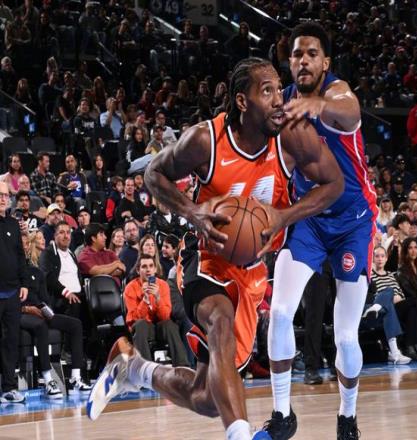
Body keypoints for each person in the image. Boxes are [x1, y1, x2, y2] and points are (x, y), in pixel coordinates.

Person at [87, 57, 343, 440]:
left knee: (207, 397)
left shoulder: (292, 137)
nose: (279, 99)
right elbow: (154, 173)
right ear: (242, 101)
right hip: (205, 257)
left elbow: (334, 183)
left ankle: (133, 368)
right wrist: (192, 212)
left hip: (250, 271)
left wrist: (283, 216)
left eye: (280, 88)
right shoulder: (206, 140)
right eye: (267, 91)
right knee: (219, 320)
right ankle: (239, 435)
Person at [257, 22, 376, 440]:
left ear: (326, 62)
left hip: (352, 222)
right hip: (308, 218)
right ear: (288, 62)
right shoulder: (283, 103)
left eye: (311, 53)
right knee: (280, 312)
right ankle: (282, 414)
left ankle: (347, 417)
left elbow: (351, 111)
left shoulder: (337, 93)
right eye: (296, 54)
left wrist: (318, 105)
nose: (303, 60)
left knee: (345, 336)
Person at [20, 233, 92, 398]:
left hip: (40, 312)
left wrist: (47, 311)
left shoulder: (36, 272)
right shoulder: (9, 274)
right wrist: (27, 309)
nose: (24, 247)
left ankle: (75, 377)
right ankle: (48, 379)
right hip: (21, 313)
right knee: (40, 325)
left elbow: (45, 299)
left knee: (75, 324)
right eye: (21, 244)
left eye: (26, 243)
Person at [124, 253, 189, 366]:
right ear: (138, 270)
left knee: (169, 325)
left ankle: (183, 367)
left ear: (155, 269)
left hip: (159, 327)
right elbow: (134, 319)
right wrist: (145, 300)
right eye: (144, 267)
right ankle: (145, 369)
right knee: (140, 325)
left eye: (151, 266)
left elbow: (165, 316)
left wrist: (158, 298)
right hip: (143, 328)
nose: (148, 270)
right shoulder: (130, 288)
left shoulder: (163, 285)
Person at [0, 181, 28, 404]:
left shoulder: (12, 223)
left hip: (12, 293)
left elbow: (20, 256)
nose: (3, 199)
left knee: (11, 341)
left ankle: (8, 388)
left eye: (5, 195)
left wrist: (24, 283)